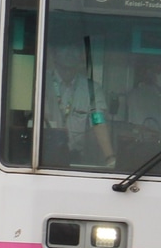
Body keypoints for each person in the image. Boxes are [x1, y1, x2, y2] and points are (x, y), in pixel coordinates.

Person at [42, 39, 116, 167]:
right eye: (65, 46)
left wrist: (110, 158)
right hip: (43, 158)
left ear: (82, 56)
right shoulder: (41, 81)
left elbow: (98, 123)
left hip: (76, 159)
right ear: (54, 53)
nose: (70, 52)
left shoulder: (92, 89)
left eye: (75, 48)